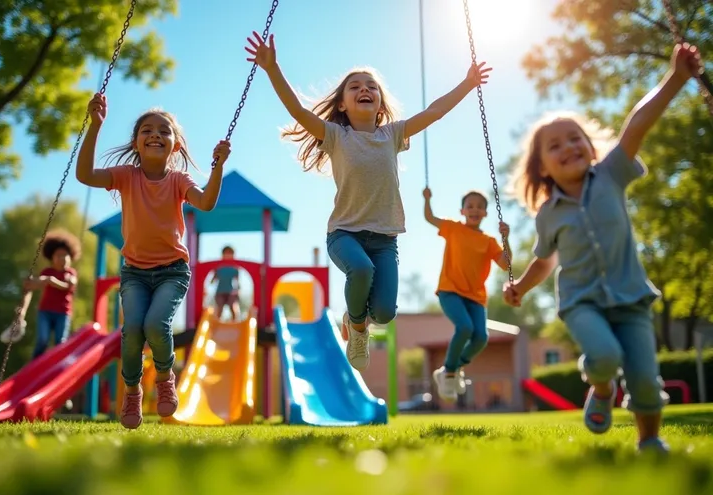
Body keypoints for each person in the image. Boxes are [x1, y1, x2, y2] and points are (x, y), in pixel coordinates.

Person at [245, 30, 492, 371]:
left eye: (372, 86)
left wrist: (467, 84)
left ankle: (355, 317)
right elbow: (299, 112)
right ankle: (358, 329)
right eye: (356, 86)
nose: (365, 89)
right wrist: (272, 69)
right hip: (344, 234)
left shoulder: (392, 135)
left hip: (384, 240)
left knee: (386, 313)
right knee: (360, 270)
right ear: (342, 104)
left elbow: (435, 111)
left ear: (380, 103)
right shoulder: (336, 136)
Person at [503, 43, 703, 453]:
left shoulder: (611, 175)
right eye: (554, 145)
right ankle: (601, 386)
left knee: (647, 378)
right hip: (583, 303)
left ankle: (649, 440)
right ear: (541, 166)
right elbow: (545, 261)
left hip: (631, 299)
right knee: (605, 354)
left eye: (574, 138)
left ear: (590, 146)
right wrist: (521, 287)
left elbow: (636, 125)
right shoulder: (548, 214)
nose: (568, 147)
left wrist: (676, 78)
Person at [76, 92, 231, 429]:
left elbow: (205, 203)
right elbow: (85, 175)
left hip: (172, 271)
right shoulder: (125, 176)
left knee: (155, 325)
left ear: (175, 145)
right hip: (134, 272)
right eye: (147, 130)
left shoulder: (178, 181)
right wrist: (95, 126)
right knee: (131, 330)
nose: (156, 134)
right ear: (136, 142)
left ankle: (164, 377)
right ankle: (132, 392)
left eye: (165, 130)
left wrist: (218, 167)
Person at [423, 188, 511, 401]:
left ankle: (450, 369)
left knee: (480, 337)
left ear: (486, 214)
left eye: (480, 207)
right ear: (462, 211)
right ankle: (450, 374)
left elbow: (506, 264)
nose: (475, 210)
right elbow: (429, 218)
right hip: (450, 291)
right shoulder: (453, 228)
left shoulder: (489, 241)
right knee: (465, 328)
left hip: (476, 297)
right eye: (470, 206)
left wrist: (506, 238)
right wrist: (427, 200)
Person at [21, 230, 81, 358]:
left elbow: (68, 285)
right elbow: (39, 283)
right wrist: (31, 282)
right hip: (46, 311)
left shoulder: (70, 273)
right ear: (51, 258)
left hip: (63, 312)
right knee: (42, 340)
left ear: (71, 257)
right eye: (58, 255)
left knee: (60, 341)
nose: (62, 259)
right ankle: (35, 363)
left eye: (65, 255)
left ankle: (59, 364)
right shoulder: (47, 271)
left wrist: (51, 281)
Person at [211, 245, 240, 321]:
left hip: (230, 290)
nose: (228, 255)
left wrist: (238, 289)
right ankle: (217, 321)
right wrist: (212, 280)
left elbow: (237, 280)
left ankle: (234, 321)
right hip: (220, 291)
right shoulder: (219, 266)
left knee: (232, 306)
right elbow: (215, 277)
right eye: (226, 253)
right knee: (219, 307)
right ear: (222, 255)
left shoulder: (234, 267)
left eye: (230, 253)